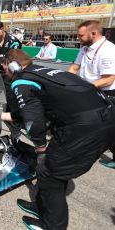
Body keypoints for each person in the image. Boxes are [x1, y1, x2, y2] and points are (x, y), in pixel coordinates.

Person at [1, 49, 115, 229]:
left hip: (86, 127)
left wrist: (39, 146)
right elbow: (31, 109)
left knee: (49, 172)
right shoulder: (43, 72)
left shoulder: (21, 79)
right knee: (52, 167)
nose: (5, 71)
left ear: (13, 66)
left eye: (5, 66)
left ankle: (53, 226)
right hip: (106, 117)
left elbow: (33, 120)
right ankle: (42, 206)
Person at [68, 20, 115, 169]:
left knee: (110, 129)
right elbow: (75, 68)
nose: (78, 39)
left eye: (81, 36)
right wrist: (63, 82)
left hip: (107, 94)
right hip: (88, 91)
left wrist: (83, 86)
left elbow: (109, 79)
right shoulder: (85, 48)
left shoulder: (108, 50)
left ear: (93, 34)